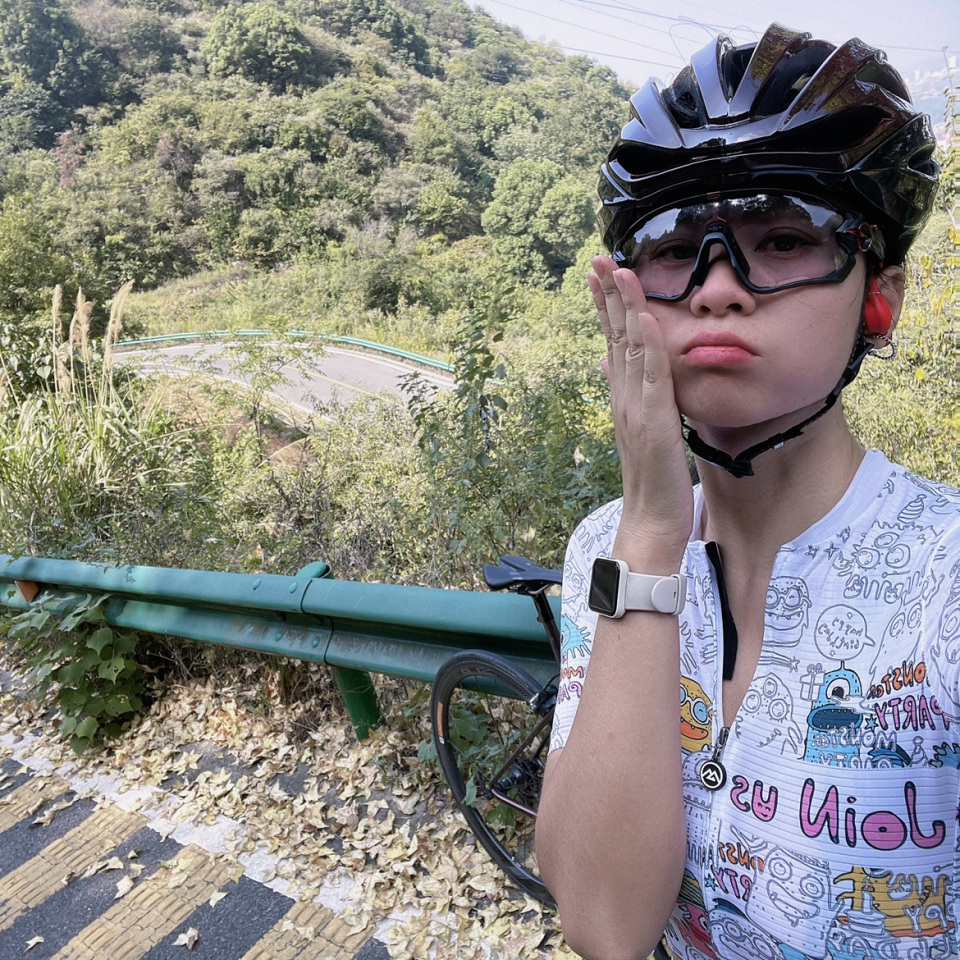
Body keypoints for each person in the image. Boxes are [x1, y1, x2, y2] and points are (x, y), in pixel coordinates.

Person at [534, 22, 958, 960]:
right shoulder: (605, 544)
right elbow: (603, 927)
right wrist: (651, 531)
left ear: (880, 298)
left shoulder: (946, 579)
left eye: (782, 239)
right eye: (675, 248)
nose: (718, 287)